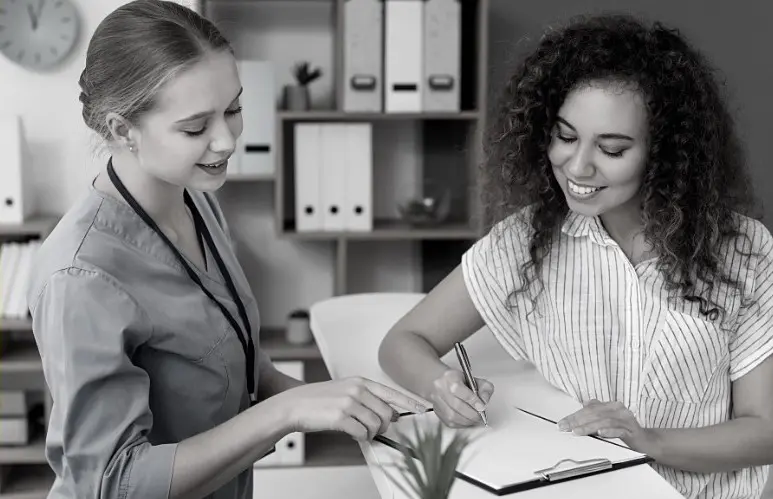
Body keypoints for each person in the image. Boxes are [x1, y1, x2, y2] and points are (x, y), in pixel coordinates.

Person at [26, 1, 425, 498]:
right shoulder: (80, 275)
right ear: (120, 129)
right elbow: (114, 484)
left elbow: (242, 375)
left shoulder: (198, 204)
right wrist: (285, 414)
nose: (226, 141)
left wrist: (353, 404)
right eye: (195, 127)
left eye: (234, 109)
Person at [378, 13, 773, 499]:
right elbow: (402, 341)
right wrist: (440, 385)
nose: (577, 165)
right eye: (565, 137)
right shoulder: (525, 242)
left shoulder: (742, 250)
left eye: (611, 148)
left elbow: (764, 432)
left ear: (664, 154)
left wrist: (647, 441)